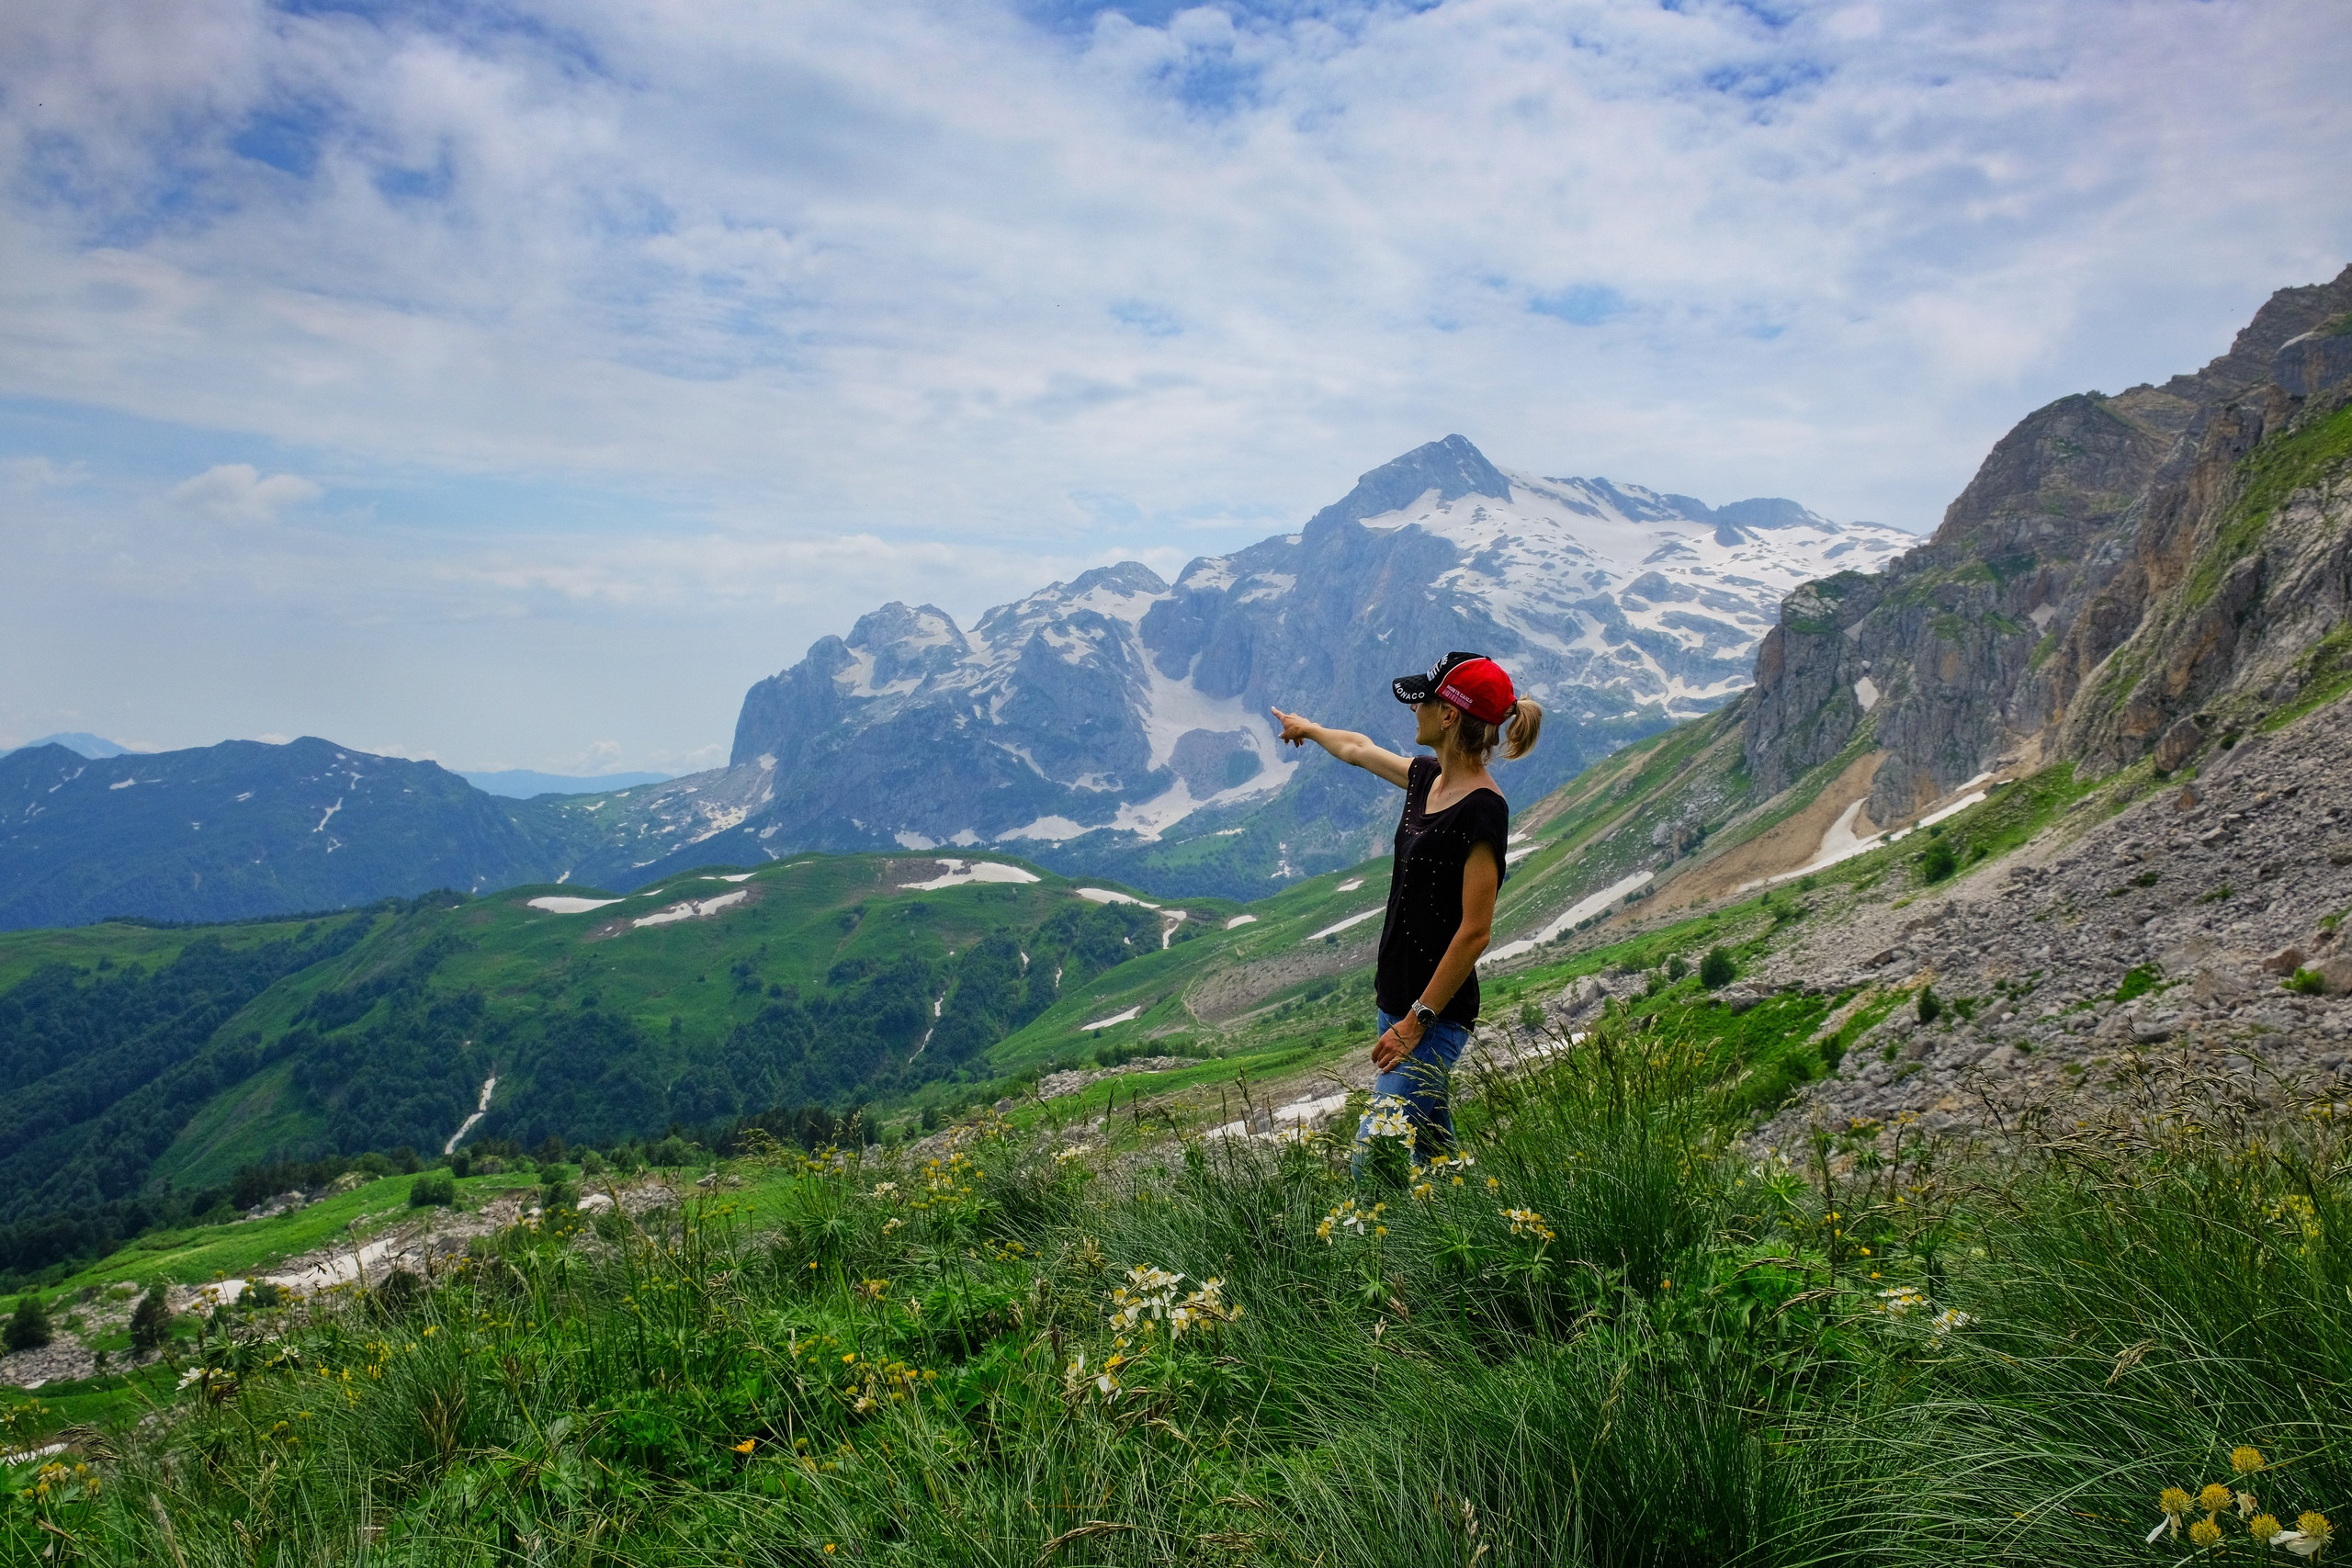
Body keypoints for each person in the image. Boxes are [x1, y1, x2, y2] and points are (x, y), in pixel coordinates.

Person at [1272, 651, 1543, 1166]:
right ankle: (1465, 1231)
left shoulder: (1483, 810)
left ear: (1450, 716)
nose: (1413, 708)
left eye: (1425, 699)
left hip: (1434, 1016)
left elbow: (1475, 932)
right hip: (1395, 1001)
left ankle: (1367, 1244)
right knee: (1433, 1154)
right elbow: (1358, 749)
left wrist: (1418, 1020)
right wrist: (1307, 727)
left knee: (1372, 1157)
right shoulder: (1426, 780)